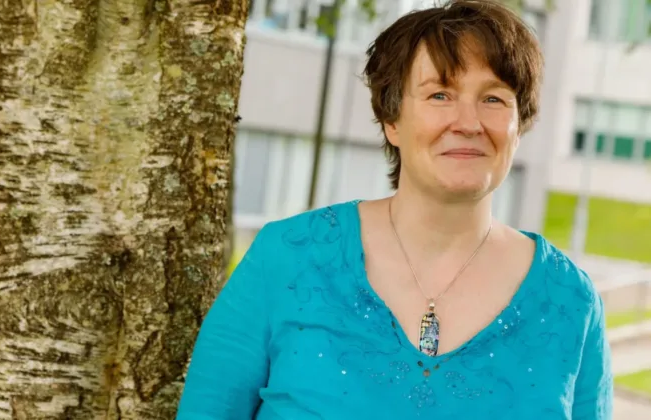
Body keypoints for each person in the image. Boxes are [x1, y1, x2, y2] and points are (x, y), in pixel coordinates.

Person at [177, 0, 613, 418]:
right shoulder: (286, 258)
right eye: (440, 95)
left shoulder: (572, 302)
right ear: (391, 120)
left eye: (494, 99)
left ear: (520, 126)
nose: (468, 122)